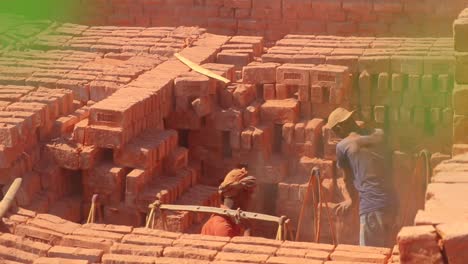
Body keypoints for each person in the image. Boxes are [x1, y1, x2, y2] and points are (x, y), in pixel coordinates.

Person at [326, 107, 396, 247]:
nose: (335, 134)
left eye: (334, 131)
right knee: (388, 254)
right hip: (393, 204)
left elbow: (346, 179)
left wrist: (351, 201)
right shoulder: (379, 134)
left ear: (339, 127)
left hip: (372, 207)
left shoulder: (343, 146)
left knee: (369, 257)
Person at [201, 167, 256, 237]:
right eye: (249, 193)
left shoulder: (233, 220)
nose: (250, 198)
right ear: (239, 195)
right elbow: (242, 248)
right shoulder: (223, 226)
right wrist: (248, 229)